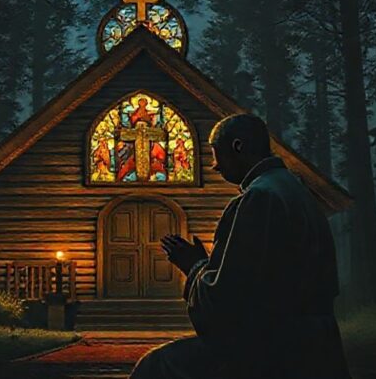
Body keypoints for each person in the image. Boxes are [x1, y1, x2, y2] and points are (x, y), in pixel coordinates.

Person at [130, 113, 350, 379]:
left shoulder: (259, 198)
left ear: (238, 147)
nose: (214, 167)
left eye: (216, 155)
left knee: (156, 368)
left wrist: (194, 266)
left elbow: (229, 303)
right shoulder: (293, 189)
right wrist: (210, 266)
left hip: (275, 347)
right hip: (315, 341)